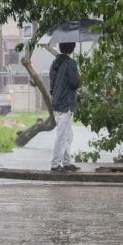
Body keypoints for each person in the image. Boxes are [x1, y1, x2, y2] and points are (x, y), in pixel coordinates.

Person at [49, 41, 81, 172]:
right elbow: (74, 83)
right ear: (72, 48)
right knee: (62, 135)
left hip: (56, 103)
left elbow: (52, 84)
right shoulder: (70, 63)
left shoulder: (54, 63)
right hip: (66, 103)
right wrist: (79, 74)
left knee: (67, 135)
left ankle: (67, 162)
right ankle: (55, 164)